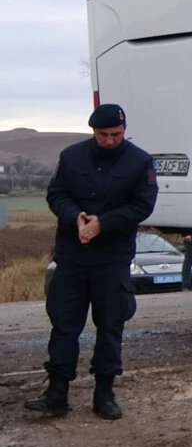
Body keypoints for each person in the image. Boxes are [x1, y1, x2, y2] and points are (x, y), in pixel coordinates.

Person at [26, 104, 157, 420]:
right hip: (72, 254)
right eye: (103, 135)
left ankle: (105, 393)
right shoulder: (71, 157)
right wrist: (78, 218)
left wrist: (104, 223)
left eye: (115, 135)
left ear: (123, 131)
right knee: (64, 322)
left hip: (112, 257)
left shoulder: (140, 162)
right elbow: (56, 195)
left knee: (110, 323)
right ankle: (57, 391)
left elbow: (143, 205)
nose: (109, 141)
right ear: (93, 131)